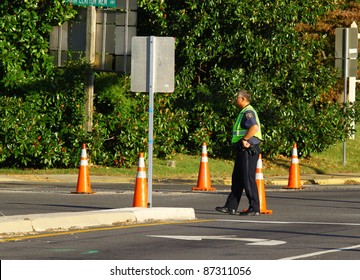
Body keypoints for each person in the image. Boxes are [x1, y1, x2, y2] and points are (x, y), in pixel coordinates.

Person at [215, 89, 262, 216]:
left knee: (247, 179)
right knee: (237, 179)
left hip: (248, 149)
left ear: (243, 99)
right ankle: (231, 206)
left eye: (237, 98)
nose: (235, 100)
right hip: (242, 150)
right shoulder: (243, 112)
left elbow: (254, 127)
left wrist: (245, 139)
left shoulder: (248, 112)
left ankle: (254, 207)